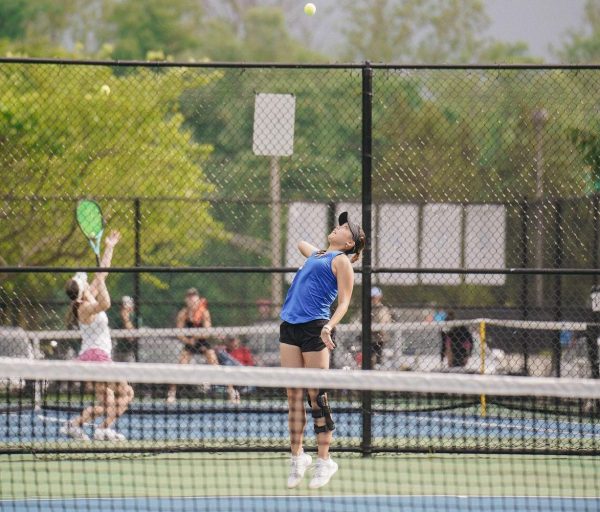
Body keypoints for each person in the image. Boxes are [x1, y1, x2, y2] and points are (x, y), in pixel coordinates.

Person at [280, 211, 365, 490]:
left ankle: (324, 461)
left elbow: (344, 303)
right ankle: (297, 458)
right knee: (293, 396)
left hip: (315, 328)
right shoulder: (318, 255)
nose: (337, 227)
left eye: (343, 227)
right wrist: (325, 248)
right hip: (289, 327)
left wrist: (329, 326)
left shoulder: (341, 261)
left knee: (317, 396)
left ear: (350, 242)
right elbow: (301, 244)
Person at [60, 231, 134, 442]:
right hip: (97, 358)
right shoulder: (82, 307)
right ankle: (102, 429)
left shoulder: (85, 296)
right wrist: (100, 283)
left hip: (94, 357)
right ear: (81, 287)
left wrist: (110, 246)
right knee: (127, 393)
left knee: (106, 402)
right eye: (83, 280)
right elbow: (106, 304)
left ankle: (74, 425)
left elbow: (103, 273)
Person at [167, 288, 239, 404]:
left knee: (216, 366)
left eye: (194, 297)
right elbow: (179, 333)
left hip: (203, 342)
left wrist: (197, 335)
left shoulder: (204, 312)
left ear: (198, 299)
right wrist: (188, 340)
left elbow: (207, 332)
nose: (192, 299)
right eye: (189, 297)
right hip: (190, 342)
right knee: (180, 366)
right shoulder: (183, 313)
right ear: (186, 300)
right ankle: (171, 394)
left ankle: (232, 392)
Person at [113, 296, 137, 362]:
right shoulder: (118, 318)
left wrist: (126, 319)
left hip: (130, 352)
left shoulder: (135, 318)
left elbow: (131, 338)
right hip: (118, 351)